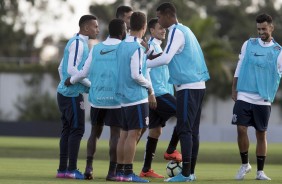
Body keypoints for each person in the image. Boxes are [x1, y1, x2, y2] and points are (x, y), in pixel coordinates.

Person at [146, 3, 210, 182]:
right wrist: (151, 58)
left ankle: (185, 174)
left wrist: (142, 64)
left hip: (188, 87)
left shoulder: (175, 31)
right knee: (192, 131)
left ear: (168, 16)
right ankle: (191, 173)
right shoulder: (186, 30)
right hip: (198, 86)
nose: (158, 20)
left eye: (159, 17)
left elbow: (166, 58)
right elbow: (166, 55)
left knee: (184, 129)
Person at [64, 19, 127, 181]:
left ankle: (88, 167)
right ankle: (112, 172)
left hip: (97, 98)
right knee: (115, 136)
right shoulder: (124, 48)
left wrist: (71, 80)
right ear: (121, 31)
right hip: (116, 99)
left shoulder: (96, 48)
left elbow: (83, 71)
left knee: (94, 133)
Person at [231, 13, 282, 181]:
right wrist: (234, 87)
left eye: (264, 29)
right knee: (241, 128)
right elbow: (240, 65)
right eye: (258, 29)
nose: (261, 32)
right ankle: (245, 165)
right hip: (244, 93)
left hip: (263, 98)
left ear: (271, 28)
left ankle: (260, 172)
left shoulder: (278, 51)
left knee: (261, 134)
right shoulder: (248, 44)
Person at [56, 15, 99, 180]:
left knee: (67, 130)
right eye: (95, 26)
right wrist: (90, 85)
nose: (98, 29)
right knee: (77, 130)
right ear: (86, 28)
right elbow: (71, 69)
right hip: (72, 95)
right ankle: (72, 169)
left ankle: (62, 170)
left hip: (66, 93)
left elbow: (61, 68)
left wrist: (64, 82)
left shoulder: (75, 41)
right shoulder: (78, 44)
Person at [114, 11, 155, 183]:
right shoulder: (137, 48)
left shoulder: (122, 45)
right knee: (134, 134)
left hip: (123, 97)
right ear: (144, 27)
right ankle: (128, 173)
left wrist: (147, 51)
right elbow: (136, 74)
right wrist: (150, 89)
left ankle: (120, 171)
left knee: (124, 134)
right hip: (136, 96)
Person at [139, 18, 181, 179]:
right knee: (184, 113)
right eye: (160, 28)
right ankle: (171, 150)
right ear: (152, 30)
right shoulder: (150, 47)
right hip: (158, 94)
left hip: (161, 93)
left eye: (164, 28)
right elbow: (146, 68)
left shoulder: (156, 46)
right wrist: (150, 92)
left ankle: (146, 169)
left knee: (155, 131)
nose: (164, 30)